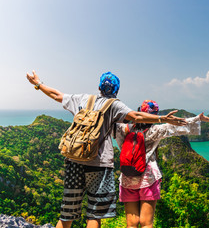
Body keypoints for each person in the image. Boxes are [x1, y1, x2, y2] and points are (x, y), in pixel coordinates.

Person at [25, 71, 187, 228]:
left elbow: (56, 95)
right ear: (116, 90)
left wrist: (38, 84)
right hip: (100, 166)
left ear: (99, 87)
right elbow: (136, 116)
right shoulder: (115, 105)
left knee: (67, 212)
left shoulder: (82, 99)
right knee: (95, 214)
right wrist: (161, 118)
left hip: (74, 162)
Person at [113, 100, 209, 228]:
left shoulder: (123, 128)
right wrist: (198, 118)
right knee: (147, 223)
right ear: (154, 115)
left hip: (127, 178)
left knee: (131, 224)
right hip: (148, 178)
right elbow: (176, 127)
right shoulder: (155, 130)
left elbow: (107, 123)